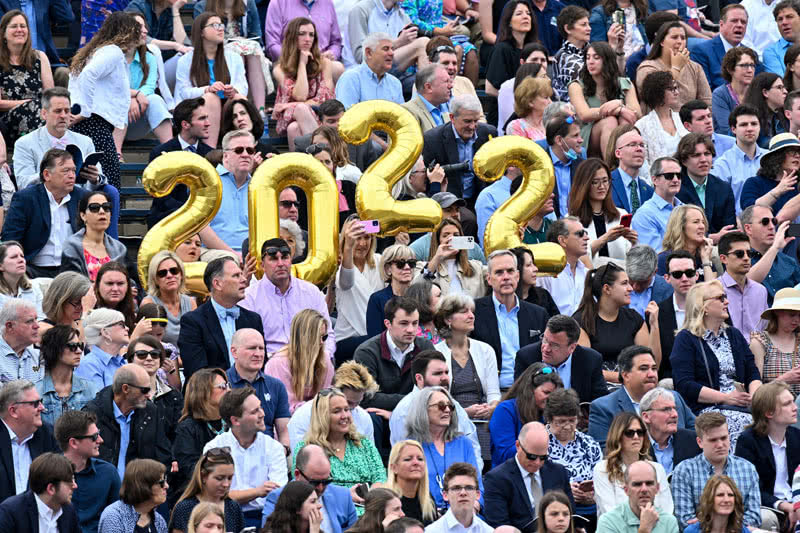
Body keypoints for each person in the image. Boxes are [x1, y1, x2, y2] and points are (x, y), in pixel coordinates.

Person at [13, 88, 119, 239]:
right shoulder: (25, 143)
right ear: (44, 114)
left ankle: (111, 254)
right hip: (45, 195)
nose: (63, 116)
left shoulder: (85, 141)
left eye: (67, 110)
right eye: (57, 111)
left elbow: (99, 180)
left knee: (111, 192)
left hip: (80, 195)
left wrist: (94, 178)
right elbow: (23, 182)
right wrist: (52, 176)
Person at [670, 280, 763, 445]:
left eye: (725, 297)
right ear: (704, 307)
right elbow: (684, 384)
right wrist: (726, 398)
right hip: (708, 409)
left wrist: (755, 398)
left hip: (743, 404)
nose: (726, 301)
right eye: (720, 298)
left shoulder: (733, 334)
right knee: (740, 424)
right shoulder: (686, 339)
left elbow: (752, 371)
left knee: (773, 418)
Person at [68, 12, 140, 190]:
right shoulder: (112, 52)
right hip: (93, 124)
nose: (142, 33)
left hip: (90, 123)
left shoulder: (99, 51)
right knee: (110, 181)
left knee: (95, 181)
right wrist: (85, 111)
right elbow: (88, 75)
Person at [203, 386, 288, 528]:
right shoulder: (214, 448)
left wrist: (237, 495)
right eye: (255, 411)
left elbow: (277, 495)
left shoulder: (273, 447)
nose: (262, 414)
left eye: (260, 408)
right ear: (235, 420)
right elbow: (214, 496)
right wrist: (258, 491)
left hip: (266, 517)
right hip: (224, 518)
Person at [434, 293, 500, 460]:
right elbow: (434, 399)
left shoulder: (485, 350)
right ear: (448, 319)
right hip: (450, 423)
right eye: (464, 312)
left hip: (483, 422)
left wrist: (492, 406)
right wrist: (464, 413)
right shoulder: (435, 352)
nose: (471, 316)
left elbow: (494, 392)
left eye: (472, 311)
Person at [292, 387, 386, 506]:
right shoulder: (306, 448)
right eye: (337, 411)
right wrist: (345, 496)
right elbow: (302, 487)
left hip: (367, 508)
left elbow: (380, 476)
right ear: (323, 416)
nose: (345, 416)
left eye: (346, 410)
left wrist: (371, 495)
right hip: (328, 508)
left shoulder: (363, 443)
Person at [588, 344, 696, 447]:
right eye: (643, 369)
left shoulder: (674, 398)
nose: (651, 374)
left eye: (654, 368)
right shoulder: (604, 408)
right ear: (625, 375)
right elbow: (604, 452)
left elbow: (699, 433)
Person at [0, 148, 85, 278]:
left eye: (73, 170)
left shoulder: (82, 197)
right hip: (33, 270)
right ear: (47, 175)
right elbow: (11, 239)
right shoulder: (26, 198)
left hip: (72, 271)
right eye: (65, 171)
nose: (72, 175)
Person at [471, 249, 549, 390]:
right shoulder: (474, 312)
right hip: (487, 392)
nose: (506, 277)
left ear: (517, 276)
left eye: (510, 271)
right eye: (499, 272)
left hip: (531, 391)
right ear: (489, 279)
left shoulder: (538, 314)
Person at [241, 238, 335, 354]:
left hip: (309, 361)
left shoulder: (311, 292)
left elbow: (328, 335)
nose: (280, 264)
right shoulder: (249, 297)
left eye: (285, 257)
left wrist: (324, 359)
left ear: (291, 260)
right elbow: (246, 343)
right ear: (262, 265)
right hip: (268, 364)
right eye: (274, 259)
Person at [671, 411, 762, 529]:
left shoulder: (747, 468)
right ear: (700, 442)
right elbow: (685, 520)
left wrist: (725, 527)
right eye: (713, 440)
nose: (720, 445)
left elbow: (754, 516)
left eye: (724, 438)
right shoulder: (684, 471)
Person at [179, 257, 262, 380]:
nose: (244, 279)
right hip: (210, 393)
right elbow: (197, 372)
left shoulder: (253, 319)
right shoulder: (193, 322)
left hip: (250, 391)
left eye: (241, 274)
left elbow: (261, 365)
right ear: (217, 283)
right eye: (236, 276)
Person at [83, 364, 172, 479]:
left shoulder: (150, 411)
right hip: (103, 490)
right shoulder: (92, 414)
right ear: (125, 389)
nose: (148, 395)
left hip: (138, 491)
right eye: (144, 390)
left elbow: (162, 454)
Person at [174, 13, 248, 148]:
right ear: (201, 32)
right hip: (200, 111)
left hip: (227, 109)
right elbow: (183, 92)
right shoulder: (186, 60)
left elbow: (243, 86)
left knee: (239, 98)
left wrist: (233, 90)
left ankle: (246, 146)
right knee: (210, 97)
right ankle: (209, 151)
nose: (220, 29)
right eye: (214, 25)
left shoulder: (233, 57)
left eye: (221, 25)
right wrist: (207, 89)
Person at [483, 421, 575, 530]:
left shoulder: (558, 472)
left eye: (542, 458)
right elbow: (499, 524)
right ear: (518, 446)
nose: (537, 462)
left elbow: (571, 513)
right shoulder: (497, 479)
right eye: (531, 456)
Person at [734, 381, 799, 531]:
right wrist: (783, 505)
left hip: (796, 503)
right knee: (765, 518)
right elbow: (749, 488)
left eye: (793, 402)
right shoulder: (748, 441)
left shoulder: (796, 437)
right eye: (787, 404)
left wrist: (796, 506)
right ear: (769, 413)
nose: (795, 408)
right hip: (768, 506)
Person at [404, 385, 483, 509]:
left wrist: (473, 508)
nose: (447, 410)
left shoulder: (463, 443)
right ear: (423, 410)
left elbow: (478, 487)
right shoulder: (410, 446)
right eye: (441, 406)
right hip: (427, 515)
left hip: (465, 512)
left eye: (450, 406)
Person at [573, 263, 655, 382]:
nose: (630, 288)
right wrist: (624, 377)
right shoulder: (582, 321)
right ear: (607, 289)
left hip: (633, 383)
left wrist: (654, 325)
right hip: (600, 387)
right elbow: (586, 367)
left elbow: (651, 361)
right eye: (624, 283)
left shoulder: (633, 318)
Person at [356, 297, 435, 414]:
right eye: (404, 323)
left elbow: (435, 389)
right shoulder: (367, 352)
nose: (411, 329)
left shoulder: (425, 347)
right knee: (372, 415)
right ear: (388, 324)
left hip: (417, 413)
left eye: (415, 323)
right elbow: (366, 397)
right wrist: (413, 401)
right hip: (380, 415)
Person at [146, 98, 214, 227]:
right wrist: (188, 211)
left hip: (203, 220)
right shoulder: (161, 153)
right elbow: (161, 197)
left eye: (207, 118)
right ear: (185, 125)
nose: (208, 123)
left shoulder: (210, 154)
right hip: (168, 219)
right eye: (202, 119)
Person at [112, 11, 172, 155]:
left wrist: (135, 98)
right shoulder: (111, 57)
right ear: (124, 29)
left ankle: (172, 151)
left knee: (155, 99)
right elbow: (112, 89)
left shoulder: (150, 57)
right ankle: (116, 154)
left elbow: (150, 87)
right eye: (139, 27)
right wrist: (133, 96)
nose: (145, 31)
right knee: (121, 100)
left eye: (145, 27)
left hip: (137, 118)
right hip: (112, 121)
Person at [262, 443, 358, 532]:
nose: (320, 488)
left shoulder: (343, 496)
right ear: (297, 474)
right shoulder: (278, 497)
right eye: (314, 482)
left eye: (326, 481)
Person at [515, 313, 607, 404]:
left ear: (572, 348)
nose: (546, 349)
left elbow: (600, 402)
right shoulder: (526, 357)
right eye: (545, 340)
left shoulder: (591, 360)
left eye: (554, 345)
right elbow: (521, 400)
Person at [271, 18, 334, 151]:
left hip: (317, 115)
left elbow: (325, 99)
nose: (308, 39)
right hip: (288, 117)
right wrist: (302, 64)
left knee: (294, 128)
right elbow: (300, 95)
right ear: (292, 37)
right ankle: (325, 154)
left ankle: (303, 168)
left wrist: (289, 105)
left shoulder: (324, 63)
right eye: (302, 34)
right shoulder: (280, 69)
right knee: (300, 109)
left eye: (311, 34)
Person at [421, 94, 497, 205]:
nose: (472, 127)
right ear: (452, 118)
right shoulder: (432, 139)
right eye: (467, 121)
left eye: (476, 121)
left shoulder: (488, 133)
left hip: (482, 199)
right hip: (450, 203)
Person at [593, 412, 673, 515]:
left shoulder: (657, 468)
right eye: (629, 433)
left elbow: (667, 510)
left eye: (640, 432)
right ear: (618, 436)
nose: (636, 437)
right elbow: (609, 513)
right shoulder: (603, 469)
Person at [570, 42, 639, 159]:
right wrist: (618, 109)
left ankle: (625, 162)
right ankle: (611, 167)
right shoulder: (576, 86)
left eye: (596, 58)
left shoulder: (625, 83)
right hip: (588, 134)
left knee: (625, 120)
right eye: (588, 57)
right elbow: (584, 114)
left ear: (607, 61)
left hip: (619, 130)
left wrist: (619, 104)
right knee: (610, 121)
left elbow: (636, 112)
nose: (590, 61)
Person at [55, 410, 120, 533]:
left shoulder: (108, 473)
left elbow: (119, 518)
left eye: (99, 434)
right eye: (94, 437)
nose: (100, 440)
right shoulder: (46, 474)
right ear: (73, 442)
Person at [544, 388, 602, 524]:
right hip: (553, 508)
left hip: (590, 508)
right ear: (549, 419)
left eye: (572, 420)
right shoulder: (540, 442)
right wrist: (566, 491)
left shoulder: (589, 444)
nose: (567, 426)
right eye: (561, 421)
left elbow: (601, 478)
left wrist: (592, 495)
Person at [289, 361, 377, 450]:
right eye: (349, 402)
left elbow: (370, 455)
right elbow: (299, 458)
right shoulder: (303, 415)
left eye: (358, 402)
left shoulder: (364, 418)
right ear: (333, 389)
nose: (353, 408)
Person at [490, 362, 564, 466]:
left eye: (555, 394)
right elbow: (506, 454)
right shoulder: (505, 410)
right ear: (530, 390)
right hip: (510, 476)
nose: (551, 398)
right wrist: (546, 434)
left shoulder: (553, 412)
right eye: (546, 393)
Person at [172, 369, 230, 498]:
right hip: (198, 496)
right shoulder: (187, 428)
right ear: (204, 392)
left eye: (228, 385)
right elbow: (190, 469)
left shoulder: (232, 422)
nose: (228, 390)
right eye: (222, 387)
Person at [569, 158, 637, 268]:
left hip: (618, 277)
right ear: (584, 185)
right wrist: (604, 239)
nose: (602, 187)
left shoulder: (621, 214)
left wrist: (633, 242)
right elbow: (574, 257)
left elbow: (630, 257)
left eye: (605, 181)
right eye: (595, 182)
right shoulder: (572, 221)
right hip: (589, 279)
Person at [227, 328, 290, 446]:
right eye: (251, 348)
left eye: (261, 348)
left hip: (270, 453)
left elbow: (284, 431)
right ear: (234, 352)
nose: (258, 354)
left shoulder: (276, 386)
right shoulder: (223, 385)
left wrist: (284, 450)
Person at [0, 379, 60, 502]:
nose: (42, 408)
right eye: (35, 403)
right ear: (13, 411)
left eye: (41, 402)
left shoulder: (47, 434)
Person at [334, 217, 384, 361]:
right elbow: (346, 282)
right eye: (357, 238)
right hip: (348, 339)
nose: (362, 244)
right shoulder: (339, 266)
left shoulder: (379, 261)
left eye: (367, 237)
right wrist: (347, 248)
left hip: (376, 337)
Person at [266, 309, 334, 414]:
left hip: (319, 418)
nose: (321, 342)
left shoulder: (324, 359)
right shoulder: (278, 363)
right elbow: (285, 407)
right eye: (317, 337)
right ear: (304, 337)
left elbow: (327, 397)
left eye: (324, 337)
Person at [0, 10, 52, 147]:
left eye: (23, 26)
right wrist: (27, 103)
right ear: (3, 33)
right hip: (8, 122)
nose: (19, 30)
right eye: (14, 26)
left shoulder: (40, 57)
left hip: (40, 114)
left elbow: (50, 95)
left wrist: (36, 105)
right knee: (36, 108)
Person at [636, 22, 712, 111]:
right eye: (674, 37)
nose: (679, 41)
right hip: (660, 121)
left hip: (691, 122)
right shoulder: (647, 67)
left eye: (683, 38)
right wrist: (676, 67)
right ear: (662, 42)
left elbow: (707, 103)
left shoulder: (695, 67)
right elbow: (656, 94)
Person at [169, 447, 245, 533]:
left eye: (230, 478)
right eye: (219, 478)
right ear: (203, 476)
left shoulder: (233, 507)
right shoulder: (185, 507)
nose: (226, 484)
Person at [125, 334, 182, 446]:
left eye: (155, 354)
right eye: (142, 355)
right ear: (131, 359)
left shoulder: (174, 396)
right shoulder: (124, 394)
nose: (149, 358)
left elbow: (178, 436)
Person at [0, 452, 80, 532]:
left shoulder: (68, 511)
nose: (75, 486)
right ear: (51, 488)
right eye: (69, 482)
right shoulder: (11, 512)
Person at [35, 325, 97, 427]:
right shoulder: (37, 392)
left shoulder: (91, 390)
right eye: (72, 346)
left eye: (80, 345)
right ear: (55, 349)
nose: (79, 351)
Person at [595, 460, 679, 533]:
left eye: (649, 483)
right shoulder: (609, 522)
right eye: (637, 484)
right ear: (626, 490)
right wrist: (644, 530)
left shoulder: (669, 522)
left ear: (657, 488)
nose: (644, 489)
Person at [714, 104, 767, 215]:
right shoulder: (723, 164)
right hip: (739, 226)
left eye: (754, 124)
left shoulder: (770, 158)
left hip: (773, 224)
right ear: (733, 129)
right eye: (743, 125)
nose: (749, 129)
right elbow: (719, 203)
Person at [61, 191, 126, 281]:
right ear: (83, 215)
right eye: (94, 208)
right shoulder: (71, 247)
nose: (102, 211)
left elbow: (132, 282)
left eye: (106, 207)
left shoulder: (119, 248)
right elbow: (71, 285)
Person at [741, 205, 800, 302]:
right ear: (748, 229)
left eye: (774, 222)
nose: (772, 227)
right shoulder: (738, 257)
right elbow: (744, 283)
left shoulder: (789, 262)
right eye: (765, 222)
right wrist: (775, 247)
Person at [419, 218, 486, 299]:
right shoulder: (426, 267)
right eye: (445, 235)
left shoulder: (476, 267)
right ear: (437, 240)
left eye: (456, 235)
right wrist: (437, 257)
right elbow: (418, 287)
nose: (451, 239)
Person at [640, 387, 702, 475]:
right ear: (646, 416)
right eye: (666, 409)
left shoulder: (693, 440)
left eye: (674, 409)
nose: (675, 415)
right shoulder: (636, 445)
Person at [657, 251, 699, 379]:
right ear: (667, 278)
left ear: (696, 275)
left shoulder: (714, 306)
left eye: (689, 273)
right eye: (677, 274)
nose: (685, 278)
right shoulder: (658, 313)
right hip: (673, 379)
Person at [689, 5, 752, 91]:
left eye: (743, 22)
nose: (740, 25)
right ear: (721, 25)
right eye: (734, 21)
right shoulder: (701, 51)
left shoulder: (750, 55)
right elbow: (705, 92)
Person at [97, 458, 168, 533]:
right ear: (143, 485)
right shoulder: (114, 516)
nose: (166, 486)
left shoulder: (159, 520)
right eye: (162, 482)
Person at [537, 217, 590, 318]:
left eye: (586, 233)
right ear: (562, 240)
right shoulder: (545, 274)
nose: (587, 238)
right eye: (580, 234)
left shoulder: (587, 273)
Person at [719, 231, 768, 340]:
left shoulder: (761, 291)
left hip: (758, 352)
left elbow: (765, 329)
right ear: (723, 259)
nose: (746, 258)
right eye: (739, 254)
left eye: (749, 253)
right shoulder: (715, 289)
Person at [750, 289, 800, 395]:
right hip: (773, 405)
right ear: (777, 312)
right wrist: (783, 380)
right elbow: (755, 393)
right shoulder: (761, 342)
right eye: (792, 314)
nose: (796, 320)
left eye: (799, 316)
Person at [139, 251, 196, 345]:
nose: (169, 275)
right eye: (162, 273)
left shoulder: (191, 302)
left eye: (174, 271)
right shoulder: (148, 303)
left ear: (181, 275)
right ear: (155, 279)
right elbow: (144, 342)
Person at [485, 0, 539, 97]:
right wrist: (518, 103)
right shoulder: (502, 49)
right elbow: (490, 89)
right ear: (509, 21)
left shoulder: (534, 50)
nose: (526, 16)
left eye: (528, 14)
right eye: (519, 14)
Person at [740, 133, 800, 220]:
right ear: (777, 156)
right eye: (791, 151)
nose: (797, 156)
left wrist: (791, 231)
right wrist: (778, 191)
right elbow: (749, 212)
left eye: (799, 152)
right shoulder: (755, 183)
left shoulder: (798, 185)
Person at [335, 32, 403, 109]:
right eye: (386, 49)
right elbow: (347, 116)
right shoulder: (351, 78)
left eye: (392, 49)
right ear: (369, 53)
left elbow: (400, 117)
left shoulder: (395, 83)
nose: (392, 53)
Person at [636, 72, 689, 168]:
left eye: (676, 88)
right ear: (657, 92)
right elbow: (643, 164)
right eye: (670, 89)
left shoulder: (682, 118)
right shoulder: (642, 125)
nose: (676, 92)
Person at [630, 158, 684, 252]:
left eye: (679, 176)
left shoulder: (686, 209)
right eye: (669, 176)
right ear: (655, 180)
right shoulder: (644, 215)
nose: (676, 180)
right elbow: (656, 257)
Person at [379, 440, 438, 525]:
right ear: (394, 468)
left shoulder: (428, 499)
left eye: (420, 459)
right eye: (408, 459)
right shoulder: (384, 500)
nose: (416, 463)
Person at [425, 462, 493, 533]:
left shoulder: (488, 531)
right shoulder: (430, 531)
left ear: (478, 494)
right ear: (445, 495)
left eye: (469, 488)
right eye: (456, 488)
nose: (463, 493)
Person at [656, 205, 716, 284]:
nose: (702, 226)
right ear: (681, 226)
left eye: (703, 222)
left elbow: (712, 292)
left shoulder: (704, 256)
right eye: (696, 222)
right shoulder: (663, 259)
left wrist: (705, 259)